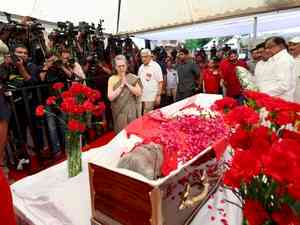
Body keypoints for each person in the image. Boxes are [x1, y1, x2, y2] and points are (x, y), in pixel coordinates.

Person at [108, 55, 142, 133]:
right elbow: (110, 97)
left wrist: (127, 84)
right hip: (119, 113)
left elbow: (138, 93)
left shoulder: (132, 78)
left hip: (132, 112)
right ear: (115, 67)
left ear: (126, 66)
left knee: (133, 135)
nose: (121, 68)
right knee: (121, 136)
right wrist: (121, 86)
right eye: (119, 66)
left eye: (123, 66)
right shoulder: (112, 79)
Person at [261, 36, 297, 101]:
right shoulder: (275, 59)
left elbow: (283, 86)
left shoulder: (284, 60)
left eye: (270, 47)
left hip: (280, 99)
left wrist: (263, 94)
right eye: (266, 48)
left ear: (281, 45)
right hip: (273, 97)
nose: (267, 50)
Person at [138, 49, 163, 114]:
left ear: (150, 56)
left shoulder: (156, 66)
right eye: (142, 57)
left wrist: (158, 96)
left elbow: (160, 82)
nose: (143, 59)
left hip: (151, 97)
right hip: (141, 97)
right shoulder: (141, 67)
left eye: (145, 57)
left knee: (147, 116)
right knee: (142, 115)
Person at [288, 37, 300, 103]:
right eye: (290, 45)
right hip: (289, 95)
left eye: (294, 45)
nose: (291, 47)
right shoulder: (287, 59)